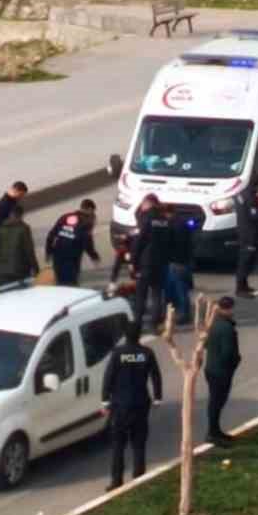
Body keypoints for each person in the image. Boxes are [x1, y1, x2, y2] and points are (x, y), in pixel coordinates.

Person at [101, 323, 163, 490]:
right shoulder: (147, 353)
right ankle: (139, 478)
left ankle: (116, 481)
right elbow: (156, 375)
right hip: (140, 403)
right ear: (139, 335)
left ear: (125, 336)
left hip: (120, 405)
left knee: (118, 445)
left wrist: (105, 400)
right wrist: (158, 397)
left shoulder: (117, 353)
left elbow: (108, 377)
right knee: (139, 443)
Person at [131, 194, 172, 331]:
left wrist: (133, 261)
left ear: (147, 203)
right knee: (156, 294)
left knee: (141, 294)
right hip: (160, 262)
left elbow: (139, 241)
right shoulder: (164, 220)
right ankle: (154, 325)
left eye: (142, 204)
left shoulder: (146, 218)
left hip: (146, 261)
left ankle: (137, 323)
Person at [203, 295, 240, 446]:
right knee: (217, 402)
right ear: (230, 308)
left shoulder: (214, 323)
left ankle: (215, 430)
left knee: (215, 401)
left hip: (211, 368)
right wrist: (236, 362)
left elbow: (205, 344)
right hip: (221, 371)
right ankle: (212, 433)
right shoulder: (227, 328)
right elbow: (227, 353)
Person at [46, 199, 101, 286]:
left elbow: (51, 235)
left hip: (58, 254)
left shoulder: (65, 217)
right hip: (72, 257)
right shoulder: (86, 222)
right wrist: (94, 256)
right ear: (89, 209)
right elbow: (87, 242)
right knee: (71, 283)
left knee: (60, 282)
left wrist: (49, 251)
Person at [234, 180, 258, 297]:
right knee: (246, 261)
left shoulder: (241, 194)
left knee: (246, 259)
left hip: (244, 231)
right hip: (250, 234)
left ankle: (244, 285)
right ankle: (240, 289)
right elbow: (254, 216)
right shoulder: (250, 198)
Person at [165, 208, 197, 325]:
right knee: (182, 290)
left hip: (176, 262)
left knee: (179, 290)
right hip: (184, 261)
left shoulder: (171, 226)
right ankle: (183, 313)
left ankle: (183, 314)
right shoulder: (184, 224)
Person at [0, 202, 38, 285]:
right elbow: (29, 250)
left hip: (4, 271)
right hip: (20, 270)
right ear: (20, 215)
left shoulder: (0, 228)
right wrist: (36, 268)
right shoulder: (23, 228)